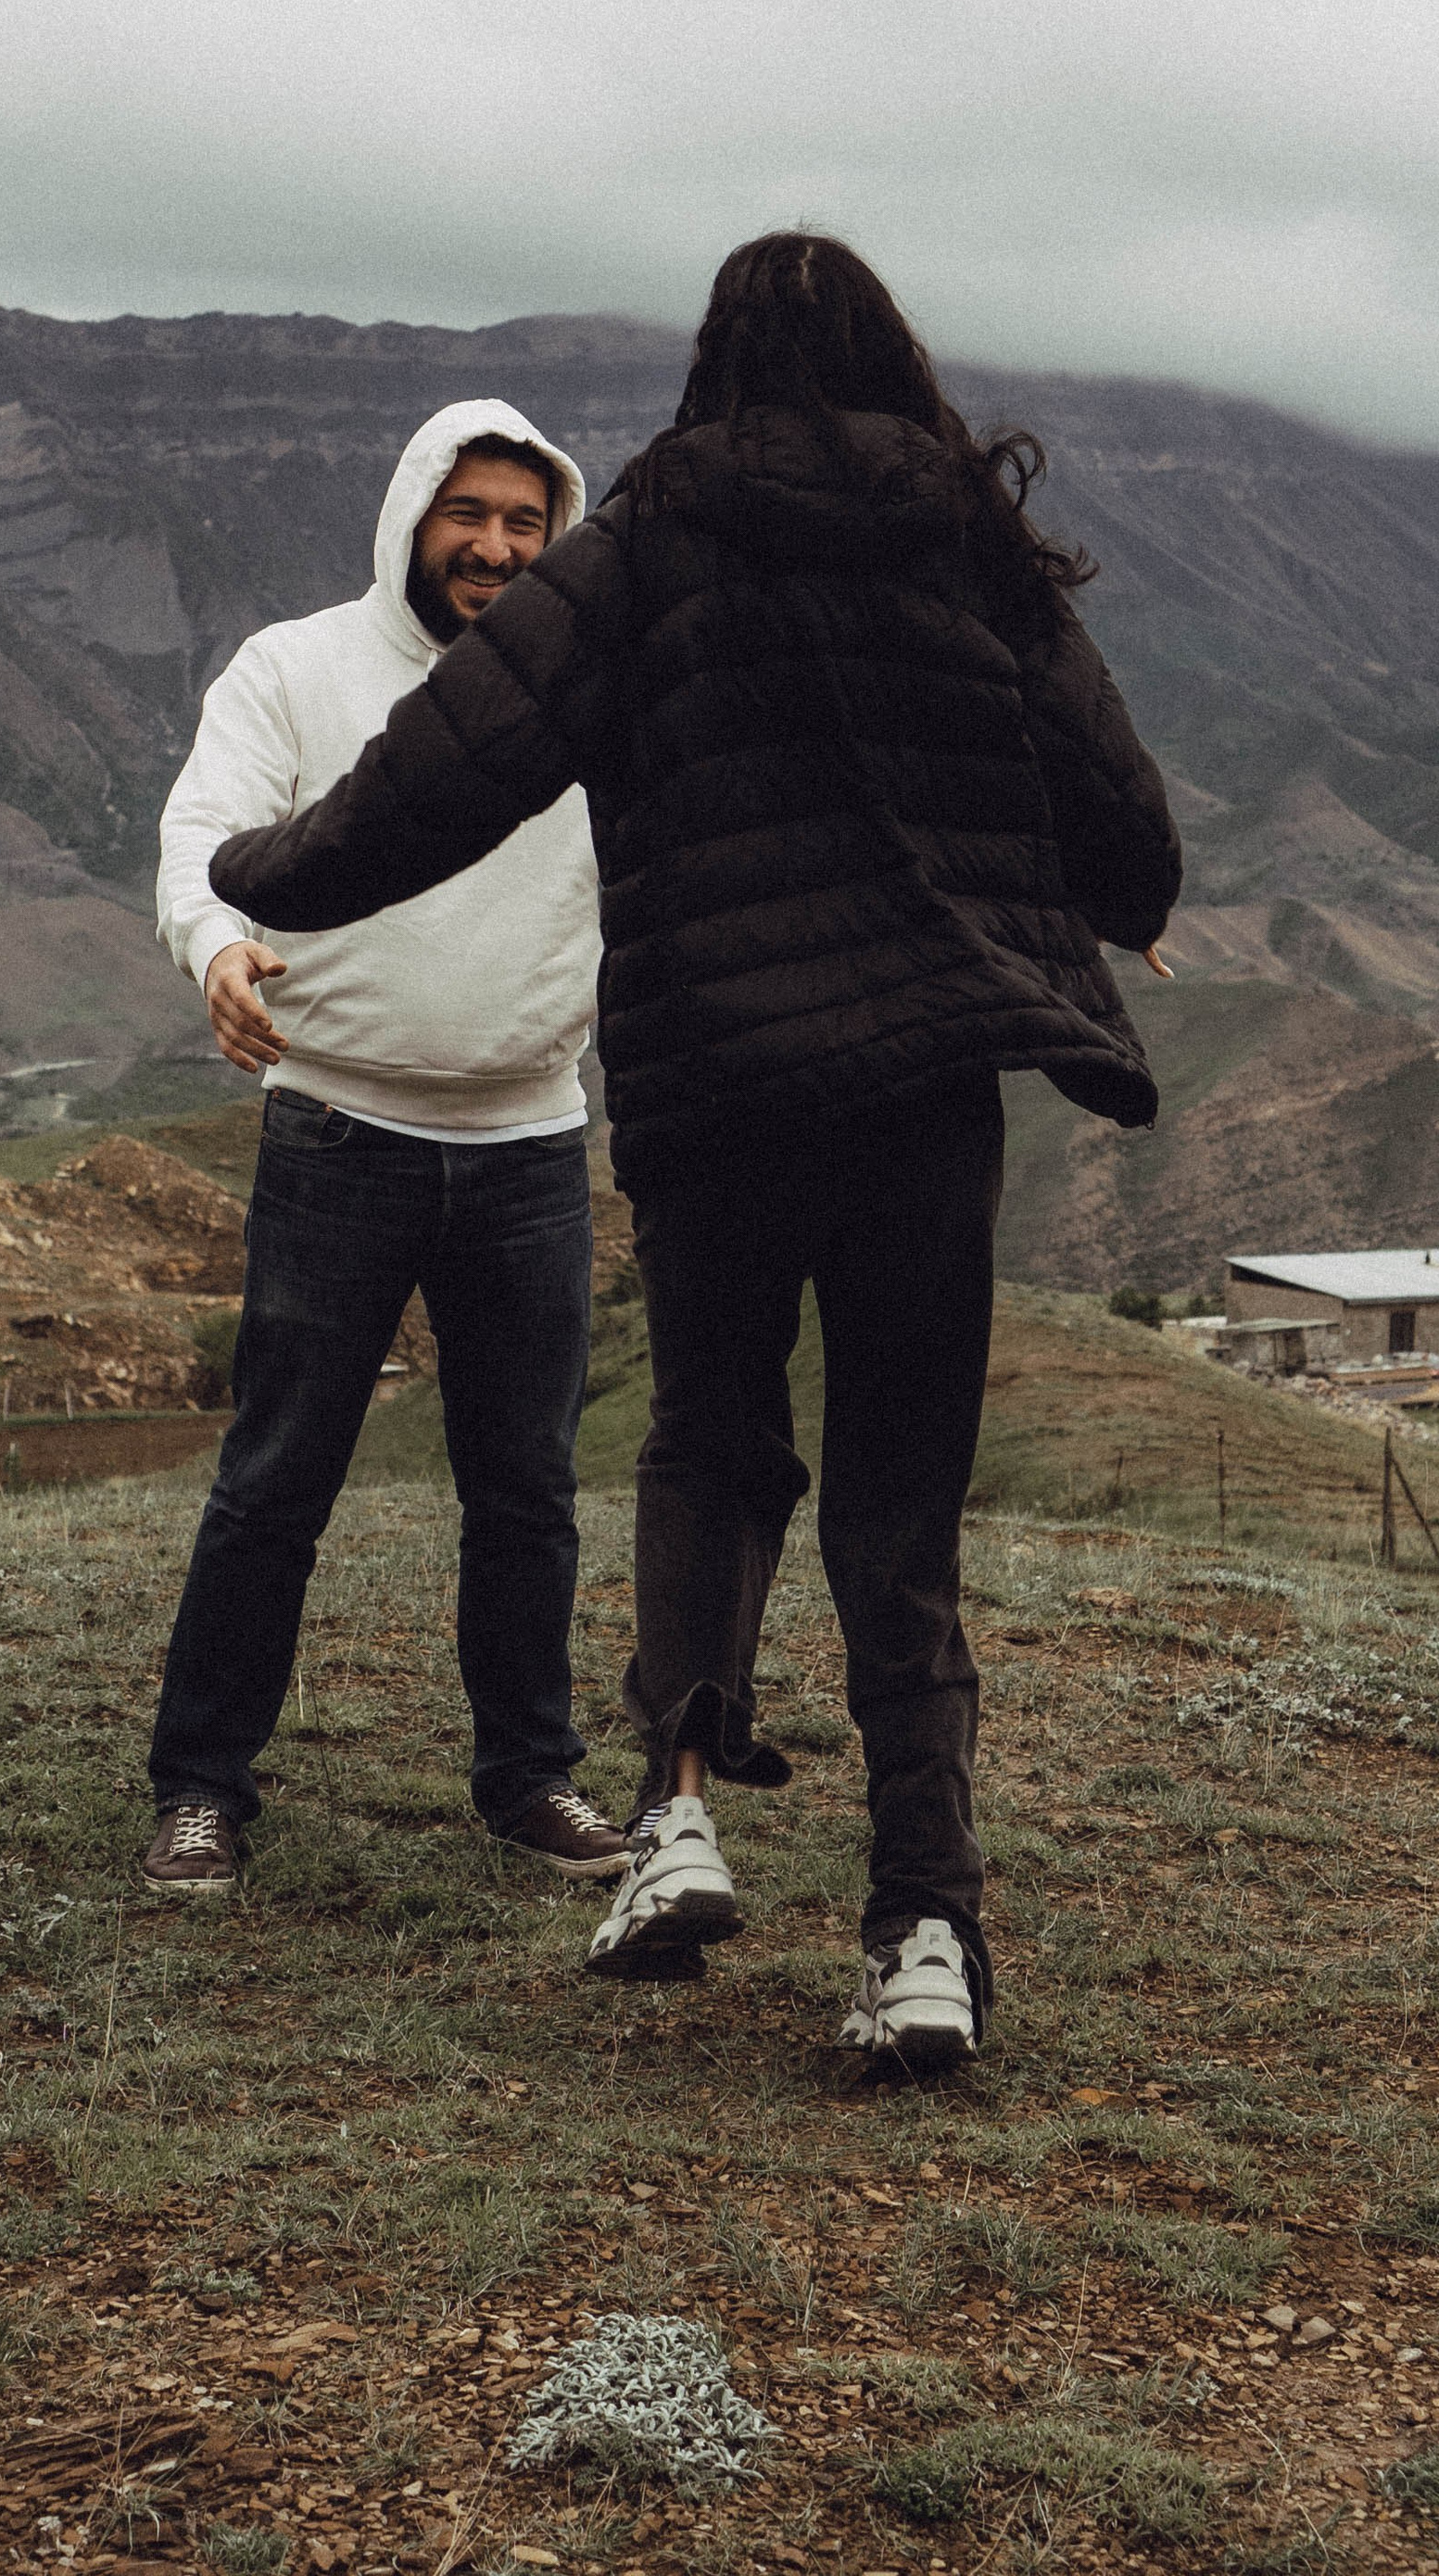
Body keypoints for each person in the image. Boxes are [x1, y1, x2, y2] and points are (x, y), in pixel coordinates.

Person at [206, 240, 1180, 2070]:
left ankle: (668, 1825)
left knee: (708, 1448)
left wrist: (256, 870)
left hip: (718, 1091)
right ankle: (922, 1932)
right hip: (921, 1100)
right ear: (890, 357)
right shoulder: (965, 546)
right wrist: (1078, 893)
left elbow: (438, 778)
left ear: (710, 362)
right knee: (899, 1510)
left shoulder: (642, 546)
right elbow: (1127, 835)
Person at [143, 400, 632, 1896]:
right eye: (466, 514)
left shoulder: (597, 687)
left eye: (523, 523)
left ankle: (530, 1780)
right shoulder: (296, 670)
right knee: (277, 1476)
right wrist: (217, 950)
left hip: (535, 1144)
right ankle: (203, 1790)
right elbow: (201, 835)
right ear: (413, 513)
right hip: (338, 1131)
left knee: (527, 1487)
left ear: (558, 538)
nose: (493, 546)